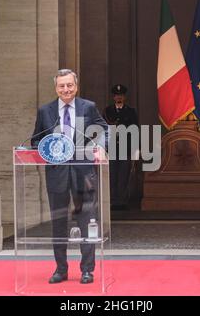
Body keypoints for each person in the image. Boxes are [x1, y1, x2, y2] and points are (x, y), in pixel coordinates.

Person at [30, 69, 108, 284]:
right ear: (56, 88)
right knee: (58, 223)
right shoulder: (45, 111)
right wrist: (46, 150)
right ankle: (60, 269)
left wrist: (100, 147)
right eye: (62, 86)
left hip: (84, 172)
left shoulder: (88, 107)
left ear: (76, 86)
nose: (66, 89)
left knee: (87, 220)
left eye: (69, 85)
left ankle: (87, 270)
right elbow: (35, 140)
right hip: (57, 174)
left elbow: (104, 129)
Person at [103, 84, 138, 211]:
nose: (119, 98)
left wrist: (135, 150)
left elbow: (135, 131)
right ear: (114, 97)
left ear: (124, 97)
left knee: (124, 175)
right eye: (117, 96)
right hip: (112, 148)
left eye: (121, 96)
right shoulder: (107, 111)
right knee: (112, 175)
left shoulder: (131, 111)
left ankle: (121, 201)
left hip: (126, 147)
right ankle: (112, 201)